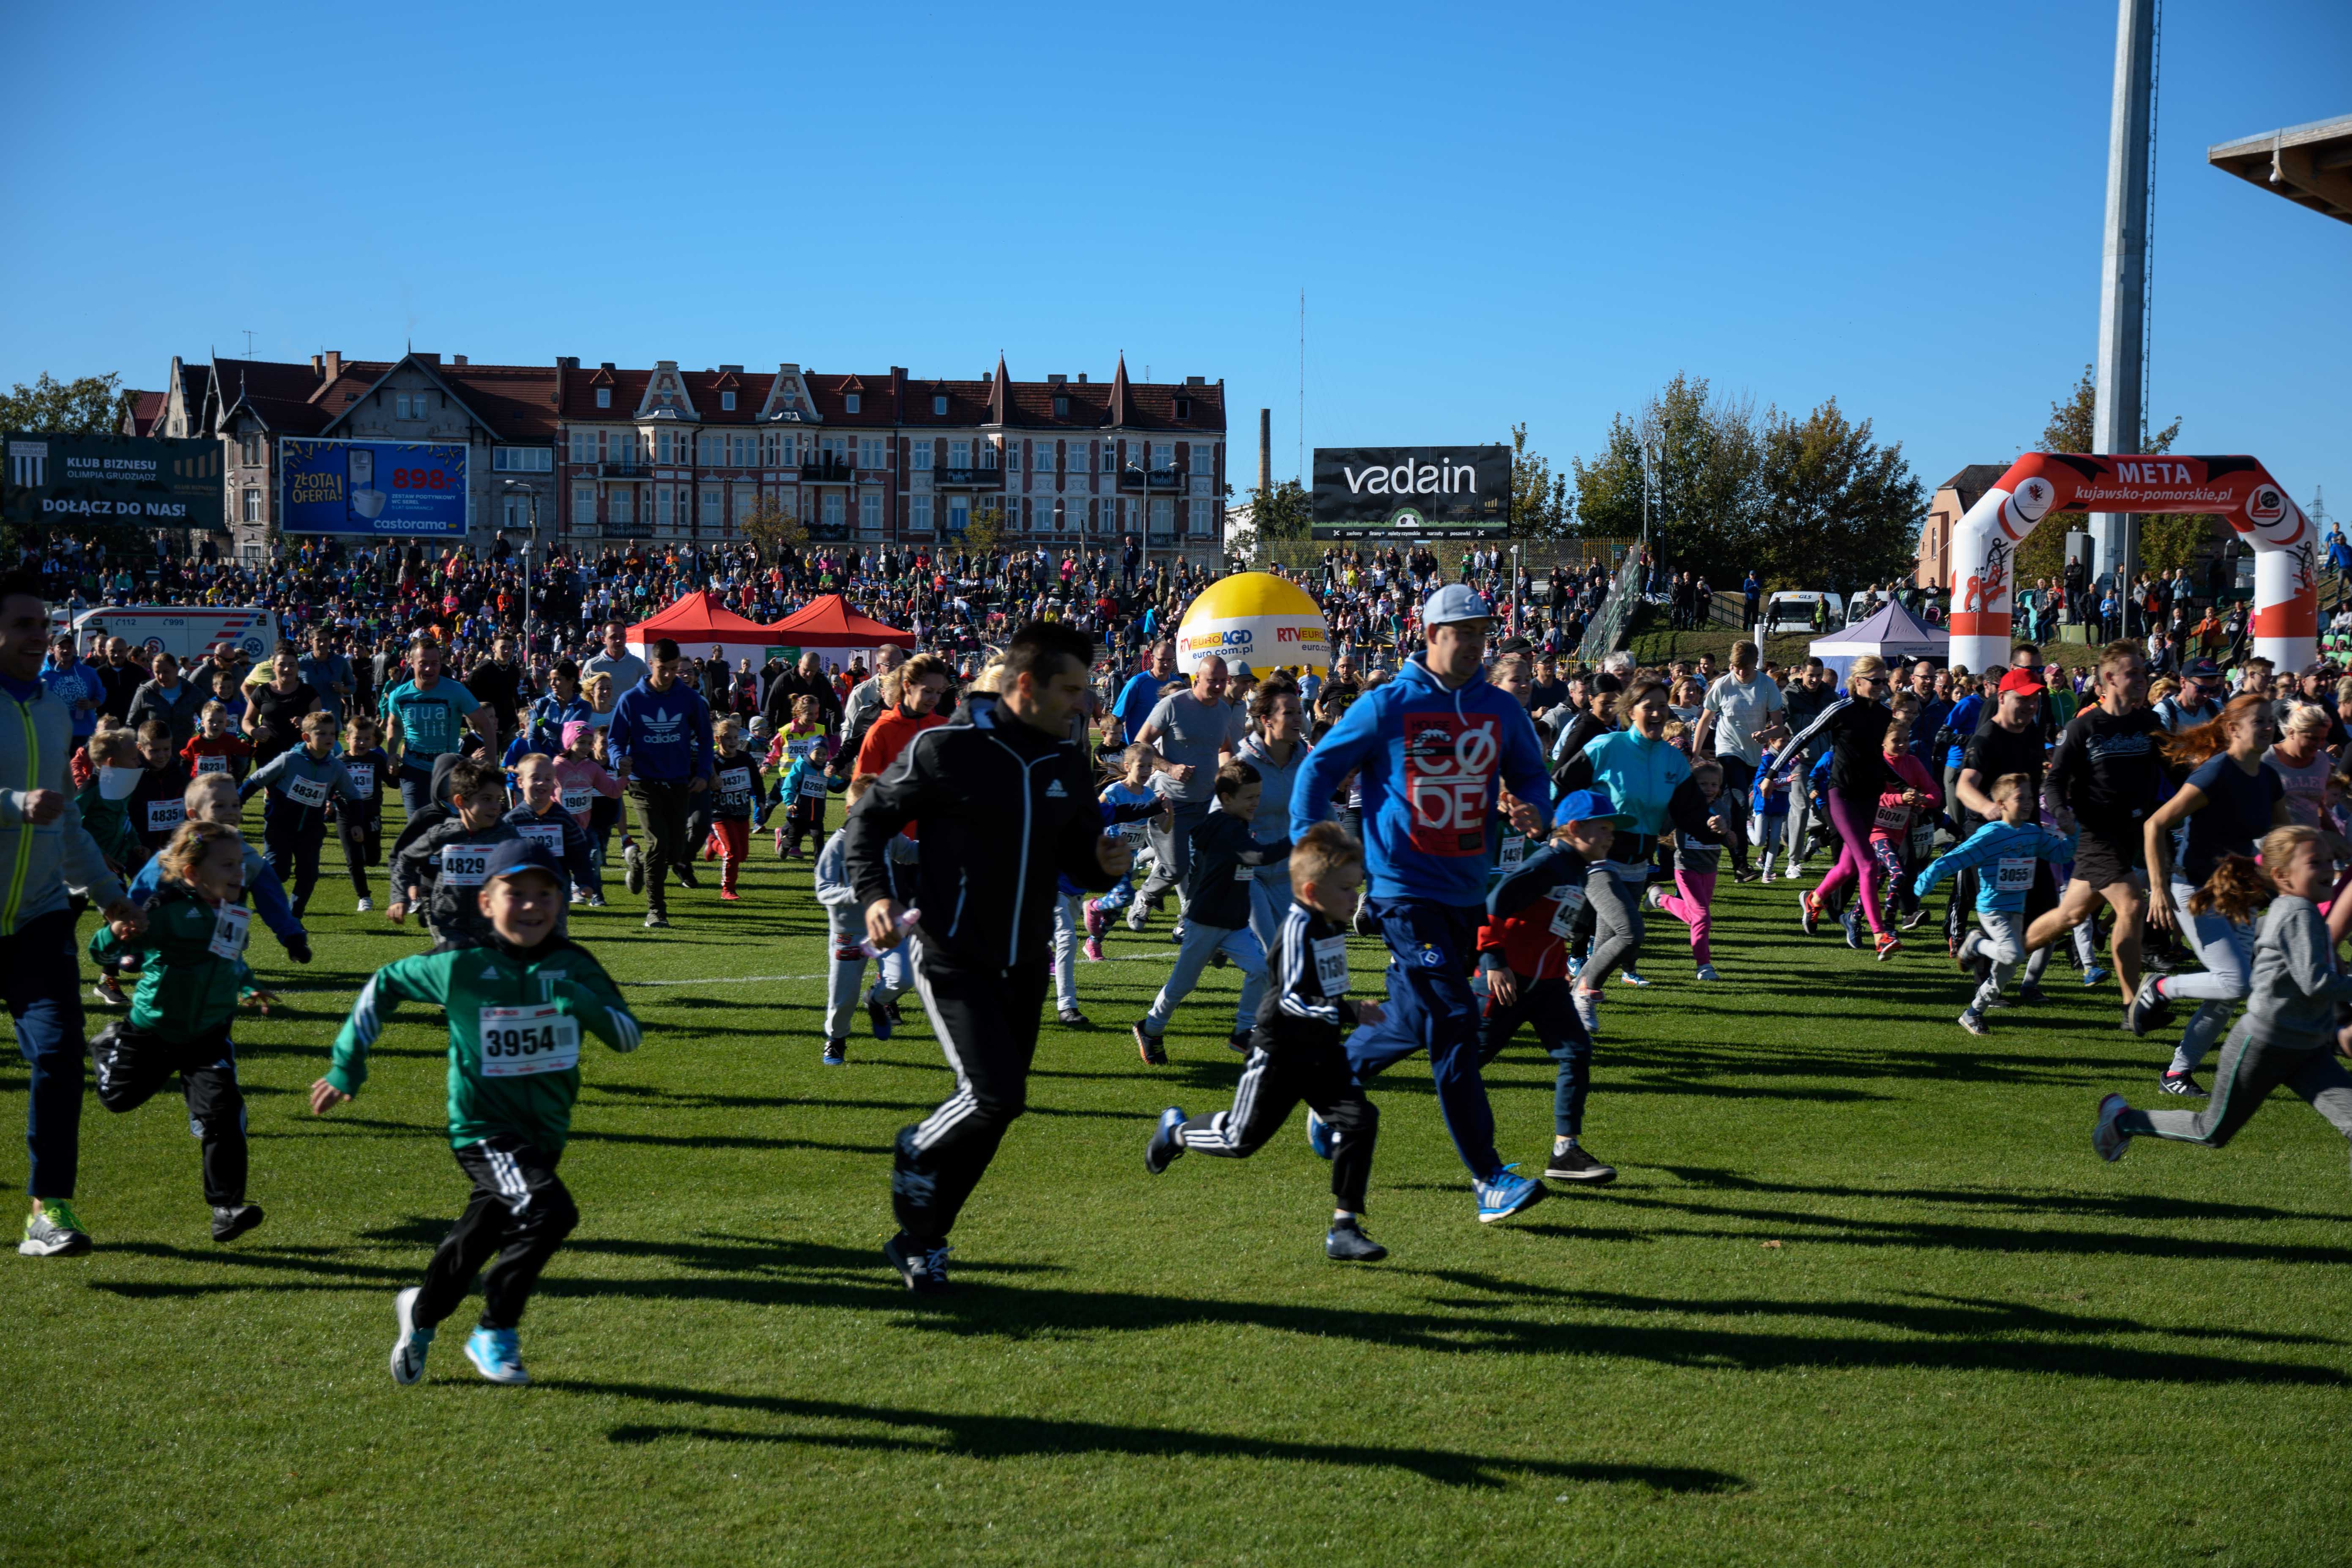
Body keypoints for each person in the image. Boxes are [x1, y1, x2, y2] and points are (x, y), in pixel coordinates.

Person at [843, 622, 1130, 1294]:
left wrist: (1102, 863)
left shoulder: (1065, 760)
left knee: (999, 1110)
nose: (1082, 703)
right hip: (951, 955)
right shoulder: (946, 749)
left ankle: (922, 1240)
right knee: (992, 1094)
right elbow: (867, 821)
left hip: (1025, 960)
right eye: (1070, 689)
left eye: (1085, 689)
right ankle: (916, 1147)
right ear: (1025, 685)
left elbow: (1078, 860)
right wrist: (877, 896)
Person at [311, 839, 644, 1387]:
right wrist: (347, 1067)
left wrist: (580, 1001)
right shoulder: (461, 965)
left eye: (546, 893)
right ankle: (495, 1328)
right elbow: (383, 986)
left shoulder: (574, 963)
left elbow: (627, 1036)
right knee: (550, 1211)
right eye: (516, 893)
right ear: (487, 902)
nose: (533, 906)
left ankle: (420, 1315)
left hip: (546, 1134)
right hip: (482, 1129)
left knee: (475, 1241)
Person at [1291, 584, 1554, 1225]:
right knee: (1457, 1021)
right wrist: (1312, 851)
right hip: (1403, 894)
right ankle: (1489, 1177)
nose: (1474, 645)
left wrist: (1534, 810)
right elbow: (1318, 770)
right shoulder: (1387, 705)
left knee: (1411, 1020)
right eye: (1462, 633)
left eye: (1481, 632)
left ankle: (1330, 1090)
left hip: (1468, 893)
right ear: (1430, 633)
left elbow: (1530, 775)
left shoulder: (1500, 709)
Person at [1143, 821, 1389, 1263]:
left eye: (1358, 887)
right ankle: (1175, 1132)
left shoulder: (1330, 922)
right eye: (1347, 889)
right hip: (1279, 1053)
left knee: (1359, 1119)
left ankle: (1344, 1227)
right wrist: (1351, 1011)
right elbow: (1295, 1000)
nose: (1355, 898)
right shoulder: (1298, 929)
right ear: (1312, 891)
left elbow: (1323, 992)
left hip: (1322, 1052)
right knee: (1240, 1140)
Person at [2, 576, 142, 1257]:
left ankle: (47, 1207)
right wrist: (11, 805)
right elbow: (30, 805)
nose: (40, 635)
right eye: (24, 624)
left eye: (44, 625)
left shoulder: (57, 711)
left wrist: (110, 893)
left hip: (39, 917)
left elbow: (69, 819)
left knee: (59, 1055)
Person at [2096, 826, 2352, 1167]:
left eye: (2329, 861)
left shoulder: (2300, 911)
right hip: (2265, 1044)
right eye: (2315, 862)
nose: (2326, 870)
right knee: (2211, 1131)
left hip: (2307, 1046)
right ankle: (2122, 1120)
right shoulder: (2297, 912)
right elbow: (2315, 983)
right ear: (2282, 875)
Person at [85, 820, 263, 1243]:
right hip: (154, 1031)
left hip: (209, 1034)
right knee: (119, 1100)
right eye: (228, 865)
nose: (240, 873)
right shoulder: (164, 907)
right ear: (192, 873)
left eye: (240, 863)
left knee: (222, 1113)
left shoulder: (235, 910)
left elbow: (230, 961)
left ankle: (226, 1207)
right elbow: (100, 950)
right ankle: (107, 1043)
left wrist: (248, 984)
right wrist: (116, 932)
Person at [2126, 695, 2295, 1093]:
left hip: (2238, 893)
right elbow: (2154, 825)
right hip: (2194, 888)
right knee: (2236, 982)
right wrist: (2159, 889)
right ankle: (2160, 988)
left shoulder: (2268, 778)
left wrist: (2318, 854)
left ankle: (2177, 1073)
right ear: (2234, 729)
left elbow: (2283, 837)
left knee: (2228, 992)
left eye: (2271, 721)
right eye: (2260, 721)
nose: (2269, 727)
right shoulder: (2215, 773)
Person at [1476, 790, 1632, 1184]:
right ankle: (1343, 1093)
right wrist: (1494, 962)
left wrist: (1560, 969)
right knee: (1461, 1060)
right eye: (1604, 829)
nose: (1611, 837)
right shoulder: (1549, 863)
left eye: (1613, 830)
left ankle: (1565, 1151)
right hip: (1507, 981)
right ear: (1576, 828)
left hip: (1546, 985)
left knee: (1576, 1051)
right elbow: (1494, 904)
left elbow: (1551, 926)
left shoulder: (1577, 866)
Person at [2027, 642, 2161, 1010]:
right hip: (2096, 834)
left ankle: (2002, 952)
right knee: (2132, 905)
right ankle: (2133, 1005)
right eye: (2132, 673)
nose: (2141, 679)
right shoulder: (2083, 726)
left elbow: (2176, 766)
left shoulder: (2149, 723)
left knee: (2070, 915)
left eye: (2143, 672)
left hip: (2132, 835)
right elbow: (2055, 780)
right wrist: (2062, 812)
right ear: (2108, 679)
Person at [1130, 760, 1284, 1063]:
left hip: (1234, 923)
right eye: (1250, 797)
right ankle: (1150, 1027)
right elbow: (1258, 856)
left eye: (1258, 796)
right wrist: (1299, 840)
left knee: (1260, 969)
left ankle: (1243, 1031)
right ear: (1227, 799)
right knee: (1182, 984)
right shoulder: (1225, 826)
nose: (1256, 803)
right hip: (1206, 922)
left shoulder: (1234, 823)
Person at [1912, 774, 2076, 1035]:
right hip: (1993, 910)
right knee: (2014, 955)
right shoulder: (1990, 835)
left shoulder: (2033, 833)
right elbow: (1957, 858)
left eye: (2030, 798)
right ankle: (1975, 943)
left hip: (2017, 912)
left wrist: (2074, 833)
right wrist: (1924, 882)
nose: (2028, 803)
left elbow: (2061, 853)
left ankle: (1973, 1014)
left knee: (2005, 973)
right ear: (2001, 804)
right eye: (2020, 798)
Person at [1775, 655, 1912, 959]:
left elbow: (1875, 758)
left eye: (1883, 680)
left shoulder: (1883, 714)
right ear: (1859, 681)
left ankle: (1814, 899)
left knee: (1849, 866)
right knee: (1868, 864)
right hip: (1842, 795)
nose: (1881, 686)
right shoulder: (1841, 708)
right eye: (1875, 680)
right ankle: (1881, 934)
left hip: (1870, 797)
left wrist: (1903, 785)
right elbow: (1802, 736)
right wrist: (1772, 772)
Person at [1128, 654, 1245, 932]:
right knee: (1175, 868)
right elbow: (1140, 743)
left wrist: (1228, 772)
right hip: (1170, 801)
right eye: (1212, 681)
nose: (1218, 686)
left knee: (1203, 868)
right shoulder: (1173, 704)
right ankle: (1144, 898)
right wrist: (1169, 768)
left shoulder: (1223, 711)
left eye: (1222, 681)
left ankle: (1187, 922)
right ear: (1197, 679)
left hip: (1205, 802)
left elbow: (1224, 746)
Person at [609, 638, 714, 929]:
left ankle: (639, 863)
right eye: (663, 668)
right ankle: (657, 911)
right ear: (651, 664)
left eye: (673, 669)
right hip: (644, 783)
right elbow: (615, 739)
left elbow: (706, 738)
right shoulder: (631, 699)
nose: (668, 675)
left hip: (680, 782)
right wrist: (620, 759)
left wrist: (704, 772)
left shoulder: (689, 699)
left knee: (675, 848)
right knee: (658, 843)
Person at [813, 772, 916, 1066]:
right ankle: (836, 1039)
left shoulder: (887, 837)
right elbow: (824, 890)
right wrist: (857, 892)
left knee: (903, 978)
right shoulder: (837, 845)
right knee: (843, 996)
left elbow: (908, 852)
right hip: (849, 931)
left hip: (886, 925)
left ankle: (876, 998)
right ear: (851, 811)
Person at [238, 710, 368, 919]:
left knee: (308, 876)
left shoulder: (335, 767)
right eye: (322, 734)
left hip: (311, 830)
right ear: (306, 737)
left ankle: (294, 917)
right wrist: (237, 804)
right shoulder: (289, 760)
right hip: (279, 827)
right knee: (279, 872)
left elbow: (353, 797)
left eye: (332, 734)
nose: (329, 738)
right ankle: (252, 876)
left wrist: (356, 823)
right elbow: (257, 780)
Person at [388, 758, 524, 950]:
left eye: (498, 799)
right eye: (486, 799)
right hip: (448, 921)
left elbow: (528, 868)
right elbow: (406, 858)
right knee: (457, 965)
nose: (496, 807)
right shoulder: (442, 834)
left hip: (493, 922)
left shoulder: (507, 835)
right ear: (461, 801)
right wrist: (399, 898)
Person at [1692, 639, 1784, 881]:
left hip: (1753, 755)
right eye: (1736, 667)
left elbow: (1780, 727)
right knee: (1741, 803)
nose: (1741, 672)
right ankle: (1741, 864)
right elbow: (1704, 720)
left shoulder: (1767, 686)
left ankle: (1730, 853)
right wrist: (1696, 753)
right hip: (1728, 749)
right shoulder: (1723, 685)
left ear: (1756, 665)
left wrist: (1766, 734)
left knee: (1736, 807)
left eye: (1746, 667)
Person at [380, 637, 495, 819]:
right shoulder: (399, 695)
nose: (429, 669)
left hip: (449, 771)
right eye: (423, 663)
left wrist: (491, 766)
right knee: (419, 829)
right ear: (411, 663)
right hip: (413, 771)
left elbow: (486, 725)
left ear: (441, 664)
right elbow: (394, 724)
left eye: (435, 663)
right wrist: (392, 753)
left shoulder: (456, 691)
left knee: (454, 829)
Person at [1647, 759, 1729, 980]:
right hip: (1686, 868)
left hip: (1710, 869)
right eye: (1703, 784)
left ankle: (1660, 900)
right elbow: (1663, 826)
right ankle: (1704, 966)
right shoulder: (1683, 806)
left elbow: (1731, 837)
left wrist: (1725, 830)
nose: (1709, 789)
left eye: (1714, 784)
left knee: (1696, 917)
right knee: (1703, 917)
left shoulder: (1722, 807)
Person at [702, 718, 765, 902]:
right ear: (717, 740)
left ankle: (713, 845)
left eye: (735, 738)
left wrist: (761, 802)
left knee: (742, 855)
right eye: (728, 738)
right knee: (732, 853)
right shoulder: (712, 762)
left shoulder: (745, 759)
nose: (733, 742)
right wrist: (711, 783)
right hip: (720, 814)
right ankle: (728, 889)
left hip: (742, 813)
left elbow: (757, 782)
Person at [335, 715, 391, 912]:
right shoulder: (339, 762)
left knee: (373, 859)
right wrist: (331, 804)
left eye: (367, 739)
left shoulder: (376, 759)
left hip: (371, 814)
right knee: (354, 859)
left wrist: (396, 766)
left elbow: (393, 783)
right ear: (347, 738)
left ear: (374, 741)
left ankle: (370, 857)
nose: (362, 743)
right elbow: (332, 790)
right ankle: (364, 897)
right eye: (358, 738)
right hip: (347, 816)